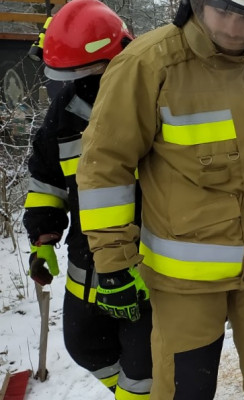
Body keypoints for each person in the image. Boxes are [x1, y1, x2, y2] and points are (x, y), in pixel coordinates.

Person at [75, 0, 244, 399]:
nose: (236, 26)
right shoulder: (148, 64)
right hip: (186, 283)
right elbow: (104, 166)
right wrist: (112, 261)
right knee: (185, 391)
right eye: (226, 10)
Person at [22, 1, 152, 398]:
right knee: (85, 348)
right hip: (87, 264)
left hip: (147, 267)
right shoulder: (66, 111)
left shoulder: (154, 100)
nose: (80, 81)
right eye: (70, 75)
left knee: (144, 367)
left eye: (90, 70)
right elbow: (47, 178)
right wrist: (42, 238)